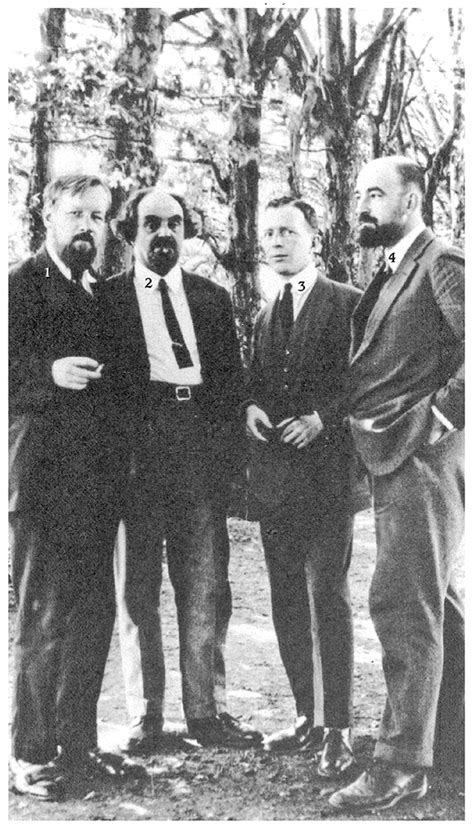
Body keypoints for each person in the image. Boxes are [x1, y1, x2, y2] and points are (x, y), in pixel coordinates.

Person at [329, 156, 464, 812]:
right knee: (435, 603)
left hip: (421, 457)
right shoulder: (389, 268)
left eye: (376, 194)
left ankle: (400, 766)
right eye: (361, 193)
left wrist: (440, 417)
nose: (363, 205)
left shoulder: (441, 261)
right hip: (393, 456)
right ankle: (449, 746)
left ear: (411, 201)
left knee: (402, 605)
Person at [110, 186, 262, 750]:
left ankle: (206, 713)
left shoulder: (211, 298)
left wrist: (231, 465)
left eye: (174, 223)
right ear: (130, 232)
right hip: (137, 456)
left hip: (198, 450)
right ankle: (145, 718)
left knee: (205, 586)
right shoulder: (108, 299)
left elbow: (230, 385)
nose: (164, 234)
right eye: (151, 224)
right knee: (138, 589)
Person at [9, 174, 136, 801]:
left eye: (98, 216)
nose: (87, 225)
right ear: (48, 214)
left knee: (92, 615)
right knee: (44, 616)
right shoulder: (18, 285)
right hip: (43, 483)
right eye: (75, 212)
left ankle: (79, 746)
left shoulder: (98, 293)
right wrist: (48, 373)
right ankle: (30, 756)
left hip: (96, 486)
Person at [245, 196, 362, 777]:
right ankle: (306, 716)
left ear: (314, 237)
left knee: (328, 599)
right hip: (277, 485)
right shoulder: (265, 315)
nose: (276, 242)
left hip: (328, 482)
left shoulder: (348, 304)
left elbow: (368, 381)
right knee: (286, 599)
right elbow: (257, 383)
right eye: (268, 233)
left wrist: (323, 418)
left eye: (288, 231)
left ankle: (338, 728)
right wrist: (250, 406)